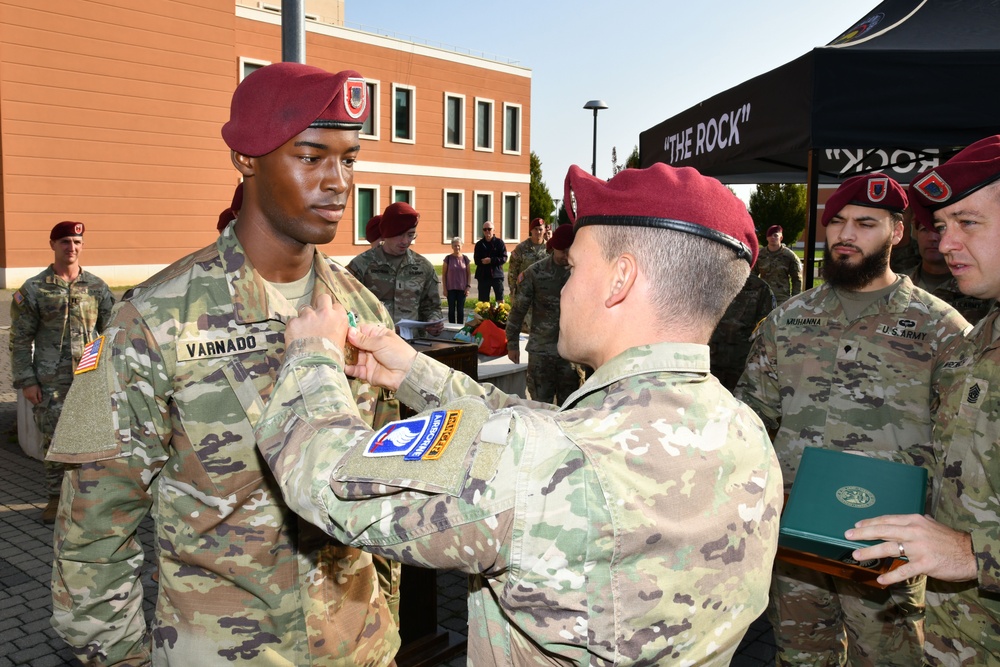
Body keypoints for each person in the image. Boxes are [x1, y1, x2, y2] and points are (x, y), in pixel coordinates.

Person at [253, 162, 784, 665]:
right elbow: (541, 427)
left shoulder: (545, 466)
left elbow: (325, 477)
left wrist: (312, 357)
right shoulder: (748, 437)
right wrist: (412, 372)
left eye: (575, 267)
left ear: (620, 279)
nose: (566, 284)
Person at [46, 63, 402, 666]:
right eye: (312, 157)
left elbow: (387, 489)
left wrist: (385, 622)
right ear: (246, 159)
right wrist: (128, 658)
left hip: (360, 650)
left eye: (349, 159)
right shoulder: (147, 322)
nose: (338, 182)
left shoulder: (362, 312)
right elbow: (92, 533)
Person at [735, 173, 971, 666]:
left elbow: (966, 451)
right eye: (837, 221)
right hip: (796, 540)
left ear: (897, 232)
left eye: (865, 223)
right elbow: (752, 419)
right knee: (799, 657)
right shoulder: (788, 320)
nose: (846, 234)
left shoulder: (941, 329)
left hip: (888, 548)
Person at [846, 135, 1000, 665]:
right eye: (941, 224)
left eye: (968, 222)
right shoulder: (977, 342)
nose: (946, 242)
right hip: (957, 638)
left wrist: (972, 554)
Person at [10, 221, 114, 523]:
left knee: (89, 439)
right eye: (66, 242)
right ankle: (56, 499)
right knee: (54, 439)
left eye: (77, 242)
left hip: (87, 378)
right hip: (49, 380)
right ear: (53, 245)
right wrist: (26, 381)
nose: (72, 248)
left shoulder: (96, 287)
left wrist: (109, 373)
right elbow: (19, 340)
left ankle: (87, 498)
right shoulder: (34, 289)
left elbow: (111, 331)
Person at [504, 223, 582, 404]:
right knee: (540, 407)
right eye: (562, 251)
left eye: (570, 250)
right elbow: (518, 310)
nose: (566, 256)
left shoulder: (581, 274)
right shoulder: (535, 273)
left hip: (570, 355)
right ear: (554, 246)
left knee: (570, 407)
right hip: (542, 353)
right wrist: (512, 343)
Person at [347, 201, 444, 335]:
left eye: (410, 235)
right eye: (399, 234)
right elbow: (346, 307)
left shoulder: (423, 266)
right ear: (386, 233)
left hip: (413, 345)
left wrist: (434, 321)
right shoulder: (361, 265)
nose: (405, 241)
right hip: (374, 345)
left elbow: (432, 307)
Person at [905, 180, 992, 324]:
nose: (937, 241)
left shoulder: (982, 286)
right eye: (941, 227)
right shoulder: (902, 284)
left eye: (967, 222)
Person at [707, 272, 775, 391]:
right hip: (711, 359)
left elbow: (766, 328)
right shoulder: (709, 283)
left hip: (741, 362)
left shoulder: (759, 287)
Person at [507, 217, 549, 310]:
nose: (538, 232)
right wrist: (513, 291)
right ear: (531, 230)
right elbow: (512, 271)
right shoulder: (521, 248)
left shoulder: (550, 248)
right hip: (524, 292)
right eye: (535, 229)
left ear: (545, 230)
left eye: (540, 229)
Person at [754, 224, 802, 304]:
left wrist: (795, 299)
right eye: (770, 235)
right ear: (767, 238)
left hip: (782, 298)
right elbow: (753, 275)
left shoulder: (789, 256)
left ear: (781, 238)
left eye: (775, 235)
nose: (772, 237)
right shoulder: (760, 255)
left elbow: (797, 279)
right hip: (763, 297)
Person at [473, 220, 507, 303]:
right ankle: (484, 316)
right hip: (483, 275)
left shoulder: (499, 243)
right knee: (483, 301)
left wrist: (491, 260)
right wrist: (483, 261)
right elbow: (476, 260)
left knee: (500, 299)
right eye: (485, 229)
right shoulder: (479, 244)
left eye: (489, 229)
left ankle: (500, 315)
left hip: (496, 275)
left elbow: (504, 258)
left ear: (493, 230)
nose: (487, 231)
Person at [441, 236, 471, 324]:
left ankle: (460, 328)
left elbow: (469, 274)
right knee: (451, 311)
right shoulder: (448, 259)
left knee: (460, 311)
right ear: (452, 246)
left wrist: (468, 287)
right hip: (450, 289)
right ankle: (452, 327)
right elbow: (444, 275)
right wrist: (445, 289)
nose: (457, 247)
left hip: (462, 289)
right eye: (455, 245)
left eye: (458, 245)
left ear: (461, 246)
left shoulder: (465, 259)